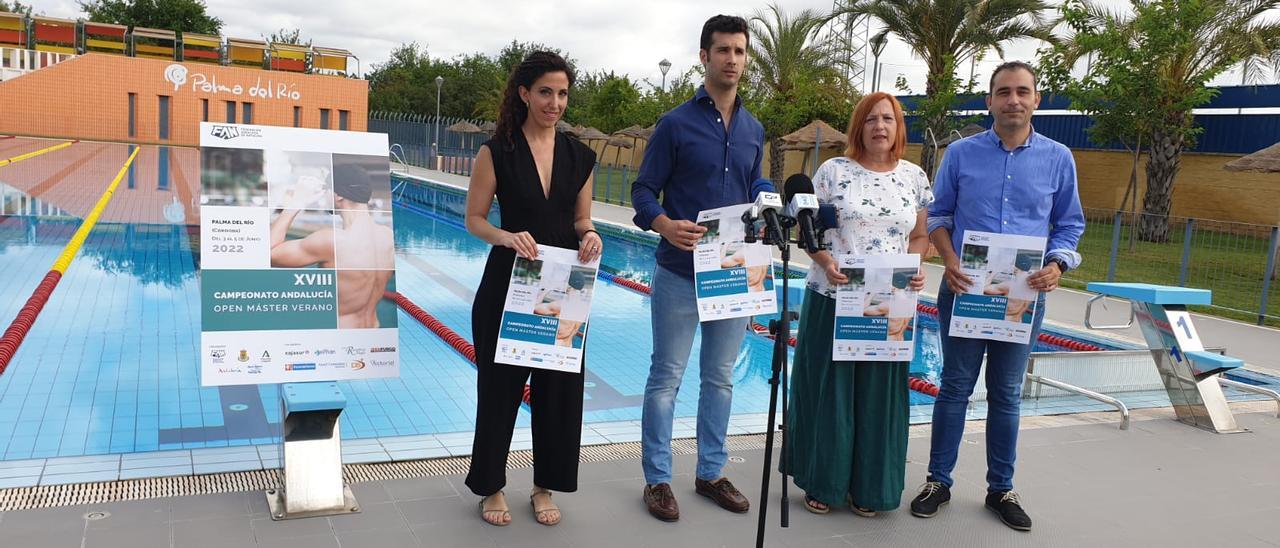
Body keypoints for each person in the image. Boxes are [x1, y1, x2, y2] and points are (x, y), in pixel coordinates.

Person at [911, 61, 1085, 532]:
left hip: (1022, 298)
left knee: (1006, 394)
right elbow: (939, 213)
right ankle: (937, 481)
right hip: (966, 290)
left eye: (1022, 91)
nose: (1013, 100)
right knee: (954, 388)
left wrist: (1057, 265)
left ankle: (1000, 488)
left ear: (1036, 100)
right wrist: (947, 259)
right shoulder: (962, 154)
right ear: (989, 100)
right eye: (1003, 92)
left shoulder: (1058, 158)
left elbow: (1070, 224)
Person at [631, 14, 774, 523]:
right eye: (723, 51)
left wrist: (766, 196)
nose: (732, 59)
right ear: (704, 56)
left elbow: (754, 184)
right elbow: (643, 191)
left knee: (719, 379)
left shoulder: (755, 128)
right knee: (666, 377)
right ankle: (658, 479)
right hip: (678, 270)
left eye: (739, 51)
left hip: (731, 271)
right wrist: (664, 224)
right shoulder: (675, 124)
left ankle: (711, 472)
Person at [462, 51, 602, 527]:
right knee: (500, 389)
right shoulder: (496, 151)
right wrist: (506, 236)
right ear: (524, 93)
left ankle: (545, 485)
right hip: (508, 283)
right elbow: (474, 219)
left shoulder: (580, 155)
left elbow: (582, 220)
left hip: (564, 284)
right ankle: (491, 487)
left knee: (559, 389)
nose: (555, 103)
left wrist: (591, 235)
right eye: (545, 92)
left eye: (562, 94)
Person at [783, 92, 931, 517]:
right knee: (831, 393)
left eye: (888, 119)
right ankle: (823, 482)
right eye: (870, 119)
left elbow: (919, 237)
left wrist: (915, 265)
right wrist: (826, 262)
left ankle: (872, 487)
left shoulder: (914, 177)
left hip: (890, 301)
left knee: (878, 398)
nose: (879, 126)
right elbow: (808, 234)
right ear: (858, 127)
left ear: (899, 127)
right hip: (834, 296)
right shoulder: (832, 172)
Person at [269, 162, 394, 328]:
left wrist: (296, 202)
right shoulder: (388, 237)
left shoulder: (331, 241)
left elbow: (268, 253)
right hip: (373, 334)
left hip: (341, 340)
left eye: (326, 189)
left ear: (338, 195)